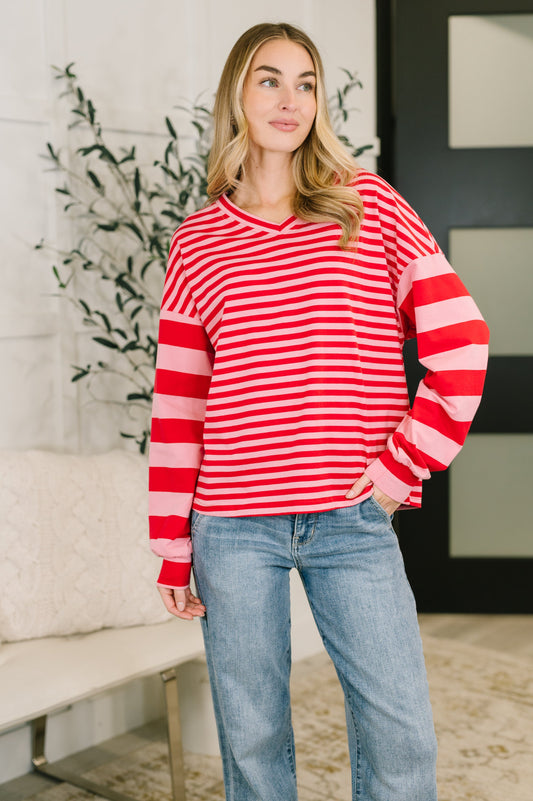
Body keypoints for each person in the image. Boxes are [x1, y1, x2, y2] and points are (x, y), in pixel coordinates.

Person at [148, 21, 489, 801]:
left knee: (400, 731)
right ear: (238, 92)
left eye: (305, 83)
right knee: (254, 737)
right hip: (231, 525)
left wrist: (400, 466)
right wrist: (171, 541)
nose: (289, 99)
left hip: (351, 516)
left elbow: (461, 341)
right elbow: (178, 405)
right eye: (269, 79)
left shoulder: (366, 205)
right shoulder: (197, 242)